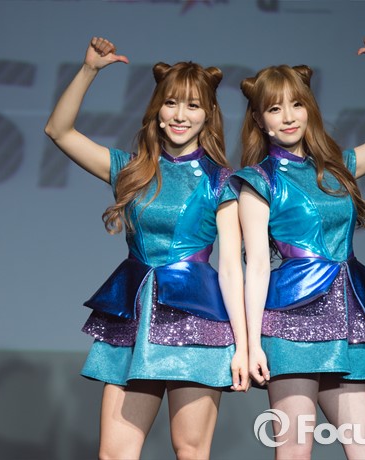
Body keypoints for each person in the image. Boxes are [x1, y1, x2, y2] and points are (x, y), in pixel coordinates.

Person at [44, 37, 249, 460]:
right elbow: (58, 131)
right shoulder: (132, 169)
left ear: (208, 114)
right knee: (115, 454)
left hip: (197, 319)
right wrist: (89, 70)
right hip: (133, 314)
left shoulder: (222, 181)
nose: (180, 115)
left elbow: (232, 268)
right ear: (157, 109)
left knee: (190, 451)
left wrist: (244, 348)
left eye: (193, 105)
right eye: (171, 103)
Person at [231, 31, 365, 459]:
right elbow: (256, 266)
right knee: (295, 451)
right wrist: (252, 344)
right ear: (259, 119)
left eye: (296, 104)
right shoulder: (258, 181)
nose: (288, 117)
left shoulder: (338, 168)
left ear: (309, 109)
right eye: (274, 108)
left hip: (346, 315)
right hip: (290, 320)